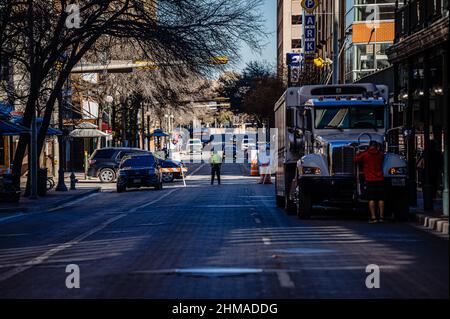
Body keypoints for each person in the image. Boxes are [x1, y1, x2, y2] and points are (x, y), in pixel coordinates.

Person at [355, 141, 385, 223]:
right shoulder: (381, 155)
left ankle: (373, 217)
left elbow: (356, 160)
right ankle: (382, 217)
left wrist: (358, 153)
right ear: (377, 146)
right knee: (381, 198)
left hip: (370, 179)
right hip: (380, 179)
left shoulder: (365, 154)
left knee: (371, 199)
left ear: (369, 146)